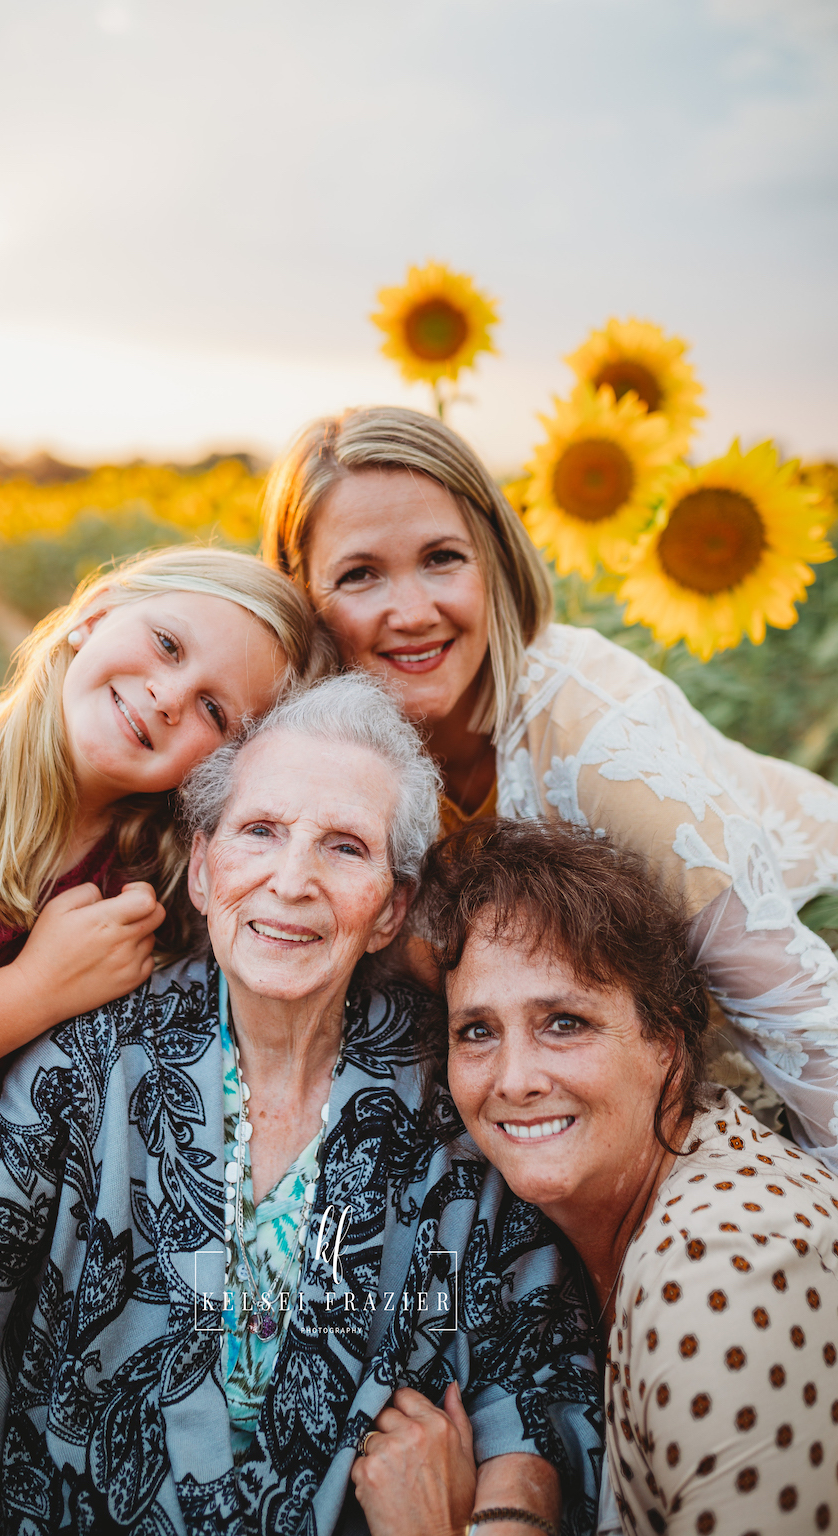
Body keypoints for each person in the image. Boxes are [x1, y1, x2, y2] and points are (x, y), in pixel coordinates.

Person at [0, 677, 602, 1536]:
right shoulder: (88, 1066)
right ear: (201, 868)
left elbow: (533, 1376)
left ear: (392, 908)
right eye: (260, 831)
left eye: (345, 848)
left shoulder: (455, 1086)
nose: (292, 880)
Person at [258, 405, 838, 1171]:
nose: (412, 612)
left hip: (791, 961)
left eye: (442, 558)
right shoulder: (315, 745)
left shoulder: (593, 734)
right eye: (361, 574)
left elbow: (798, 1015)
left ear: (495, 557)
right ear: (301, 596)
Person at [0, 544, 321, 1340]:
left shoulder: (153, 889)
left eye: (215, 712)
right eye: (166, 644)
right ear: (94, 614)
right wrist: (33, 991)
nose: (165, 696)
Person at [375, 816, 836, 1536]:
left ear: (667, 1041)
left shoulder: (717, 1272)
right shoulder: (579, 1238)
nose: (515, 1079)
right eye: (478, 1031)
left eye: (564, 1022)